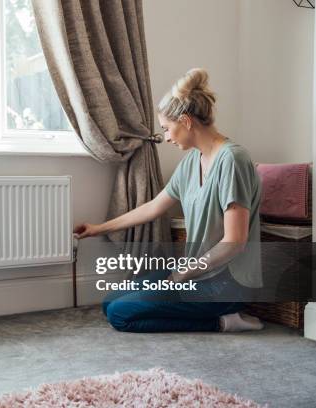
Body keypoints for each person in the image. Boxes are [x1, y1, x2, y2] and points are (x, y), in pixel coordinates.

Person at [73, 68, 264, 333]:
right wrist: (98, 228)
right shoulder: (190, 163)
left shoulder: (232, 160)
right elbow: (153, 207)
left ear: (185, 121)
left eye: (167, 129)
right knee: (110, 302)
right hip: (194, 273)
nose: (167, 137)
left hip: (225, 283)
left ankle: (224, 321)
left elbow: (234, 242)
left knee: (120, 315)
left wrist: (181, 275)